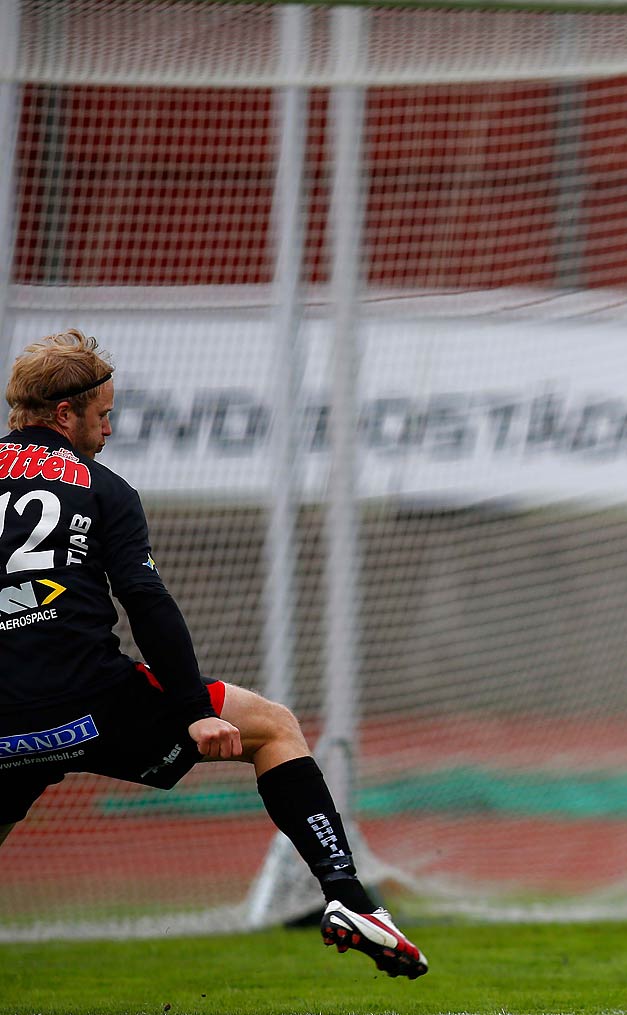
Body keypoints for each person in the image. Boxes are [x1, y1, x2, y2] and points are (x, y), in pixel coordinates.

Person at [0, 330, 426, 979]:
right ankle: (347, 896)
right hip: (95, 703)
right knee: (275, 726)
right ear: (65, 415)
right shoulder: (103, 489)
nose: (109, 429)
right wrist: (194, 711)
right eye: (103, 414)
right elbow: (146, 601)